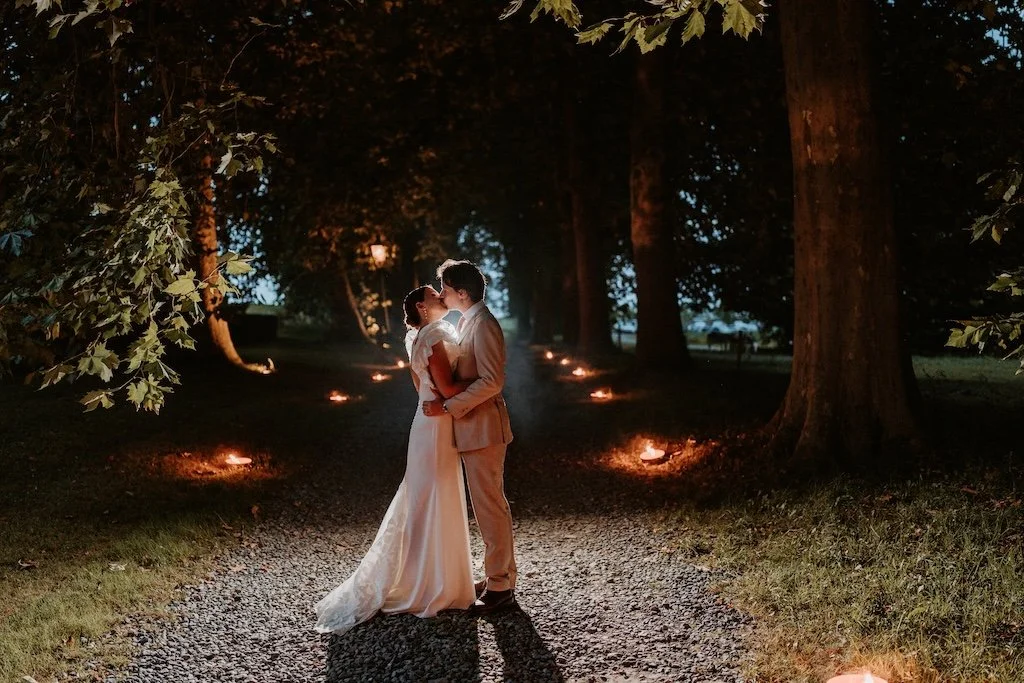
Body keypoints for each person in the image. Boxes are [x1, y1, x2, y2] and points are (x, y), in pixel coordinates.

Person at [314, 285, 475, 635]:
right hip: (435, 426)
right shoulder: (432, 336)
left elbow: (423, 387)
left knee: (427, 499)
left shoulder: (419, 337)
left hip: (427, 421)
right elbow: (448, 390)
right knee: (433, 499)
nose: (441, 297)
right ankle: (432, 583)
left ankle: (437, 577)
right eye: (434, 295)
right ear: (422, 306)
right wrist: (486, 382)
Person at [421, 259, 516, 615]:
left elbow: (492, 381)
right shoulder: (467, 321)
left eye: (445, 289)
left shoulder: (485, 325)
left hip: (485, 429)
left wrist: (448, 406)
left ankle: (501, 586)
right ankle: (496, 576)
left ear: (461, 293)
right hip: (473, 429)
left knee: (490, 508)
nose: (441, 294)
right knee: (486, 507)